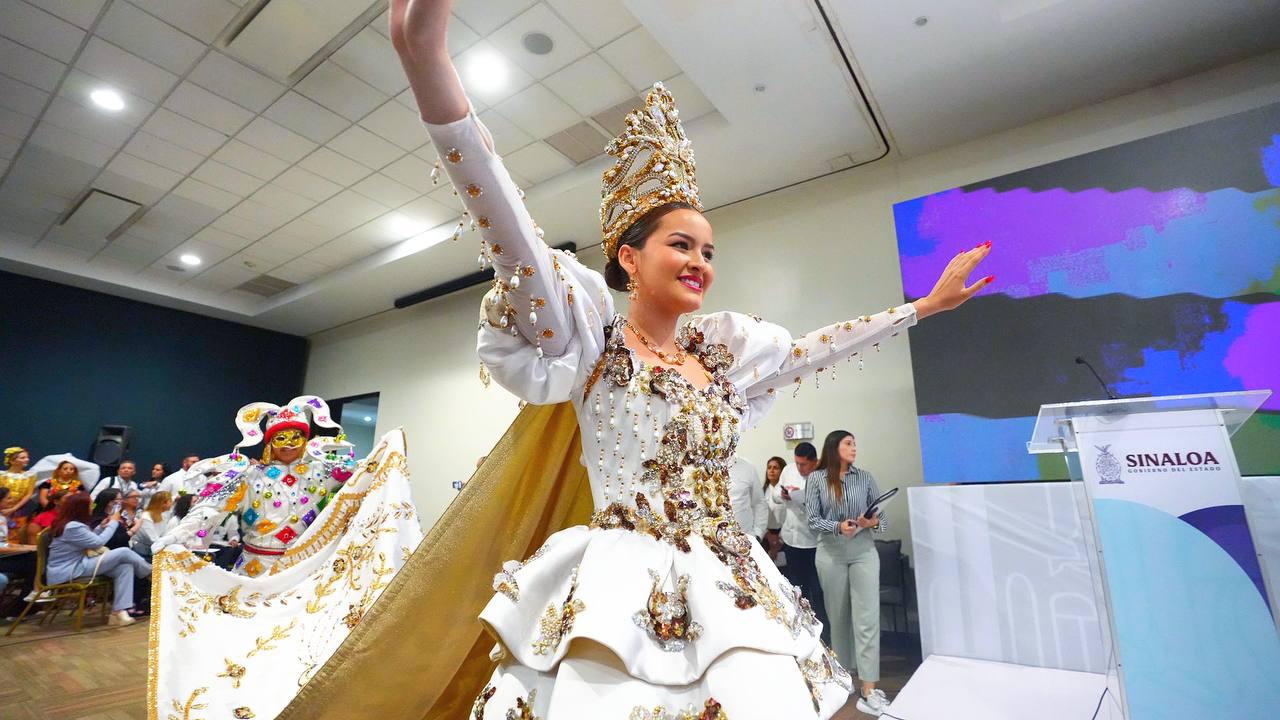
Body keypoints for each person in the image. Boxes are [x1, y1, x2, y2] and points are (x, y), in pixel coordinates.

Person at [386, 2, 991, 716]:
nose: (700, 262)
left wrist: (921, 308)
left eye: (708, 250)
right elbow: (509, 229)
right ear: (628, 258)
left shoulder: (726, 360)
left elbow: (816, 348)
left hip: (728, 579)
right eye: (681, 244)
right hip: (619, 586)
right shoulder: (591, 344)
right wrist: (426, 60)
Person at [155, 397, 356, 577]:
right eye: (281, 438)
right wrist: (177, 534)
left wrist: (387, 448)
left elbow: (366, 475)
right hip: (256, 568)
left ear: (305, 440)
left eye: (296, 437)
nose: (289, 444)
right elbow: (211, 508)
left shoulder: (323, 472)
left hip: (303, 568)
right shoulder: (249, 475)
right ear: (270, 442)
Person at [806, 431, 889, 716]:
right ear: (834, 447)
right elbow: (812, 519)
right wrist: (837, 527)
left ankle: (869, 688)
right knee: (838, 619)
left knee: (867, 619)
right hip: (831, 554)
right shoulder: (816, 479)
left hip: (864, 552)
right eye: (848, 443)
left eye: (855, 442)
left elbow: (883, 518)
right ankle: (844, 678)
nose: (854, 447)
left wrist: (871, 521)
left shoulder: (864, 477)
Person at [46, 493, 151, 626]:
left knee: (125, 567)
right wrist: (113, 522)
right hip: (69, 569)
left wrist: (100, 527)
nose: (93, 507)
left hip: (79, 564)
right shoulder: (72, 526)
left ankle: (118, 612)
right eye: (90, 504)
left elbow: (89, 539)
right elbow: (98, 543)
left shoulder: (72, 524)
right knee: (124, 552)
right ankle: (150, 573)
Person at [771, 443, 827, 634]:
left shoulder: (824, 475)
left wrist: (801, 500)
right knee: (796, 588)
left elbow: (824, 510)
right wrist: (784, 495)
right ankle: (801, 631)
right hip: (791, 539)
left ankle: (822, 633)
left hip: (814, 542)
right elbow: (776, 493)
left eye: (804, 465)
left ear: (814, 461)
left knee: (817, 590)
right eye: (797, 463)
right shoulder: (788, 470)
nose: (800, 468)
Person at [728, 456, 768, 542]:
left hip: (746, 540)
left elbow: (759, 502)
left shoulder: (747, 467)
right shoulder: (697, 468)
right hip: (710, 545)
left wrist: (758, 533)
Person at [2, 447, 36, 542]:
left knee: (17, 533)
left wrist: (14, 508)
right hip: (3, 509)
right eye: (22, 458)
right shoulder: (2, 476)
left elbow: (29, 494)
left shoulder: (29, 476)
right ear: (12, 461)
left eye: (27, 457)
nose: (27, 459)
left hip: (20, 509)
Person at [131, 491, 172, 561]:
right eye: (170, 501)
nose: (172, 503)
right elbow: (153, 539)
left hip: (153, 549)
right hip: (141, 551)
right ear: (163, 503)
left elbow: (165, 535)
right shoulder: (146, 517)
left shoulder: (163, 516)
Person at [763, 456, 787, 557]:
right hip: (766, 537)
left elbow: (791, 516)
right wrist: (768, 536)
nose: (771, 471)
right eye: (769, 467)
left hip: (784, 538)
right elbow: (757, 517)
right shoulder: (761, 492)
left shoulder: (787, 494)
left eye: (775, 468)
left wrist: (779, 540)